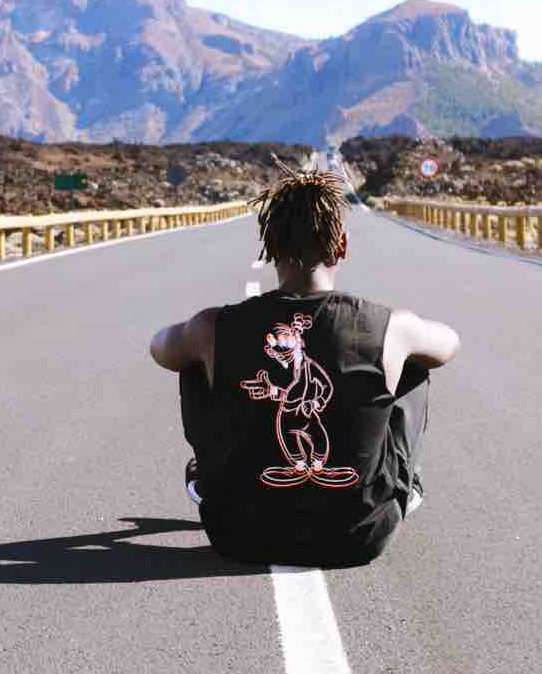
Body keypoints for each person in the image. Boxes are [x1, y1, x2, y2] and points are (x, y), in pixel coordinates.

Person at [148, 168, 460, 568]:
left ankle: (211, 478)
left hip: (237, 533)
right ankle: (403, 483)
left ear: (268, 248)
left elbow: (160, 348)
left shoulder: (214, 326)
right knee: (414, 364)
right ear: (341, 246)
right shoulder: (388, 325)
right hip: (361, 534)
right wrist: (400, 342)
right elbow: (449, 344)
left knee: (192, 361)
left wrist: (203, 342)